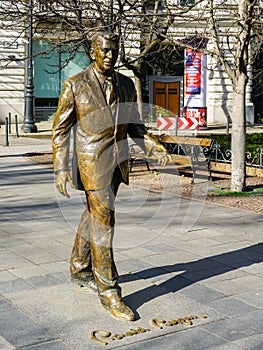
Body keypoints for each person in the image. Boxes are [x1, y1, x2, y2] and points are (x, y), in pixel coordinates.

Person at [52, 31, 170, 321]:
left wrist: (152, 144)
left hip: (117, 162)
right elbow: (60, 130)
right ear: (93, 51)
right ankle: (108, 291)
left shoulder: (127, 85)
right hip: (91, 162)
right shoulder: (75, 85)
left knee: (93, 214)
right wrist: (60, 168)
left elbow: (135, 126)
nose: (110, 56)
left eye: (114, 51)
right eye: (104, 51)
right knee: (105, 220)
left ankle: (80, 268)